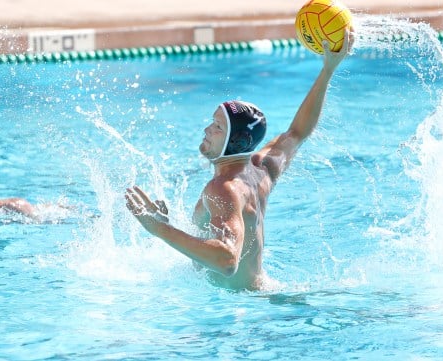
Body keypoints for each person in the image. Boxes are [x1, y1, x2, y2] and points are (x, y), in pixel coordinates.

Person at [125, 33, 353, 291]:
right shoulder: (261, 169)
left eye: (218, 127)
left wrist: (160, 229)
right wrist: (328, 69)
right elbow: (297, 133)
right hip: (259, 295)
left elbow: (226, 261)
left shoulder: (224, 188)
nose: (207, 130)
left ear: (239, 142)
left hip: (235, 313)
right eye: (212, 122)